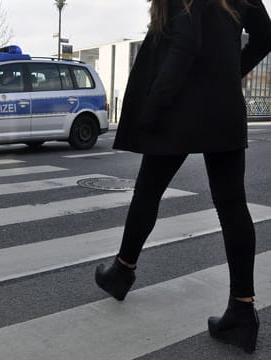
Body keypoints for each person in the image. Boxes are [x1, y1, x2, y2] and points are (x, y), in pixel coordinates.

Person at [94, 0, 271, 353]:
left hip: (178, 107)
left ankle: (122, 271)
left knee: (148, 191)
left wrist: (153, 105)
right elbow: (266, 37)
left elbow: (185, 42)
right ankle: (242, 309)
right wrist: (229, 71)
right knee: (232, 205)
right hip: (222, 108)